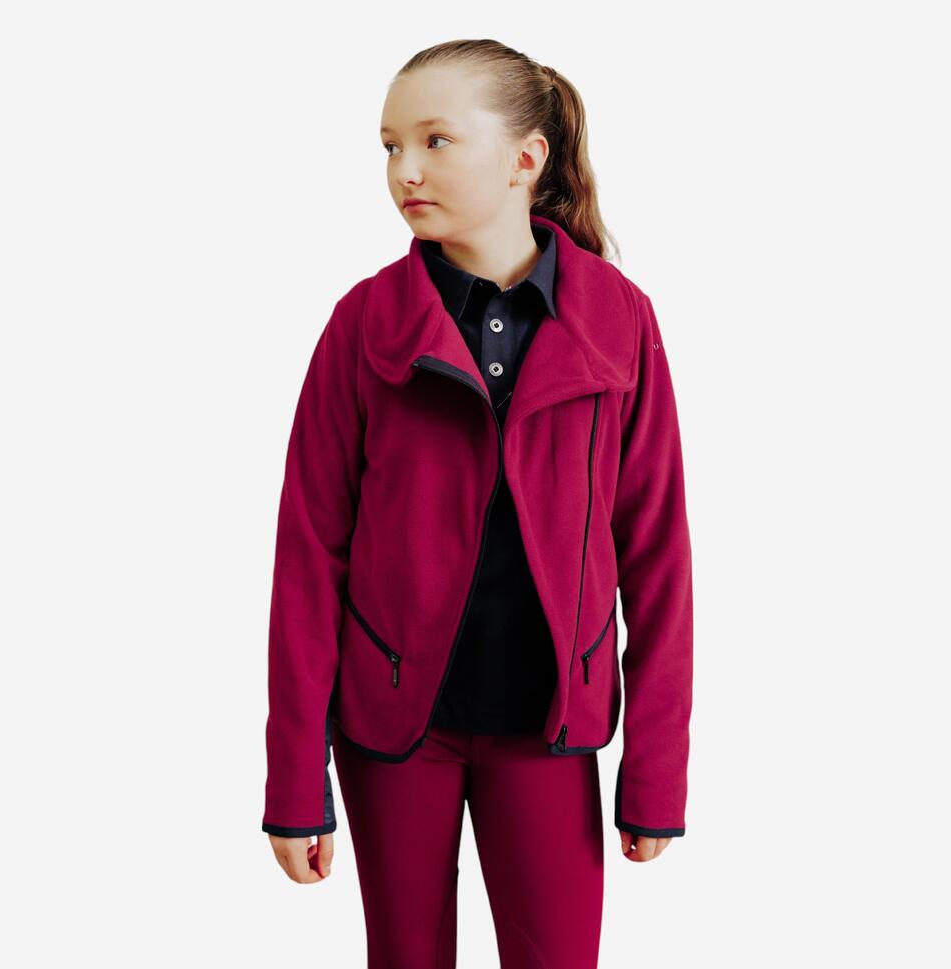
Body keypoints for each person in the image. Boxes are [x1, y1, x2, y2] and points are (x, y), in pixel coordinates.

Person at [261, 38, 694, 969]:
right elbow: (307, 556)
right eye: (389, 146)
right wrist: (295, 781)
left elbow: (657, 553)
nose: (404, 171)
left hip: (549, 729)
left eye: (434, 140)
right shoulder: (362, 323)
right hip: (392, 729)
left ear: (524, 159)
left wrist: (655, 773)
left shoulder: (620, 319)